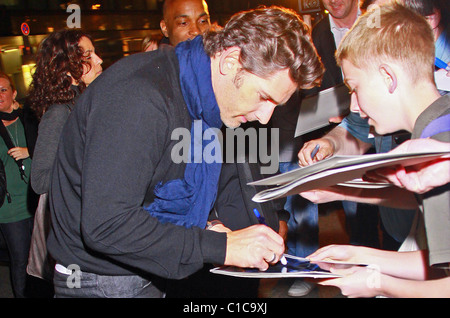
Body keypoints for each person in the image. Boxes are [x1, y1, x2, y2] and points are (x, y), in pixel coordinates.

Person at [47, 6, 324, 298]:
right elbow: (106, 224)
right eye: (263, 97)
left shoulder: (200, 94)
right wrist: (221, 247)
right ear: (230, 61)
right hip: (103, 283)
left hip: (144, 272)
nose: (265, 117)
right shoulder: (139, 99)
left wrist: (209, 227)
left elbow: (155, 190)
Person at [301, 3, 450, 297]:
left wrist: (376, 283)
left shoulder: (433, 149)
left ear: (387, 77)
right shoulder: (437, 122)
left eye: (355, 88)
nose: (353, 105)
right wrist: (360, 257)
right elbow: (436, 261)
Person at [27, 29, 102, 287]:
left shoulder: (85, 102)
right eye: (89, 55)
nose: (100, 60)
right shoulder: (60, 112)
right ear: (68, 65)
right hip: (64, 223)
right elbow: (39, 180)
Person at [0, 71, 39, 298]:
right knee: (20, 260)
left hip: (36, 199)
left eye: (3, 89)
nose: (0, 95)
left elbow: (47, 148)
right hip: (9, 206)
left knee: (41, 258)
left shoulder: (30, 118)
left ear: (14, 93)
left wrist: (29, 151)